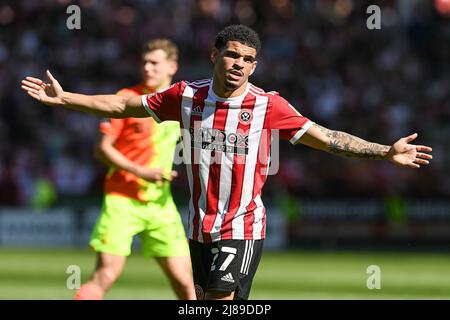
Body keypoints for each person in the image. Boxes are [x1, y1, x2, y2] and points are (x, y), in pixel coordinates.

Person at [21, 25, 433, 300]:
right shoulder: (185, 96)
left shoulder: (268, 105)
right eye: (232, 54)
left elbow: (328, 139)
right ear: (214, 54)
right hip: (198, 226)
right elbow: (122, 105)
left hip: (242, 226)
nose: (238, 64)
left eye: (247, 59)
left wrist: (385, 150)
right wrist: (67, 98)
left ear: (255, 65)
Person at [72, 39, 195, 300]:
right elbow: (102, 149)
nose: (148, 68)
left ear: (172, 67)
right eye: (144, 62)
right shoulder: (126, 99)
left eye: (155, 63)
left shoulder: (180, 102)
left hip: (161, 204)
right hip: (122, 200)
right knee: (104, 277)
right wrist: (141, 171)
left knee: (186, 284)